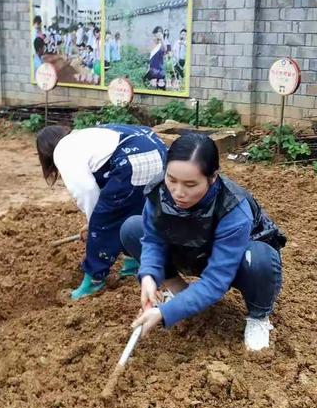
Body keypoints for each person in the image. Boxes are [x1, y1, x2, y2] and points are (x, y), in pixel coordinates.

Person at [121, 134, 285, 351]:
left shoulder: (233, 209)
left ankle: (258, 317)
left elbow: (216, 280)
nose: (178, 192)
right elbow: (152, 239)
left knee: (261, 258)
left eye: (190, 184)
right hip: (189, 249)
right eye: (171, 179)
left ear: (213, 177)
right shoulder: (158, 191)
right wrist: (149, 275)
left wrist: (164, 313)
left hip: (234, 262)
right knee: (132, 228)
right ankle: (178, 290)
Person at [36, 124, 167, 300]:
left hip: (131, 160)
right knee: (133, 211)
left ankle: (93, 281)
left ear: (45, 151)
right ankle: (132, 263)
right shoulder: (87, 135)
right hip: (159, 152)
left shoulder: (64, 149)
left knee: (104, 224)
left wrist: (94, 223)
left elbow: (87, 191)